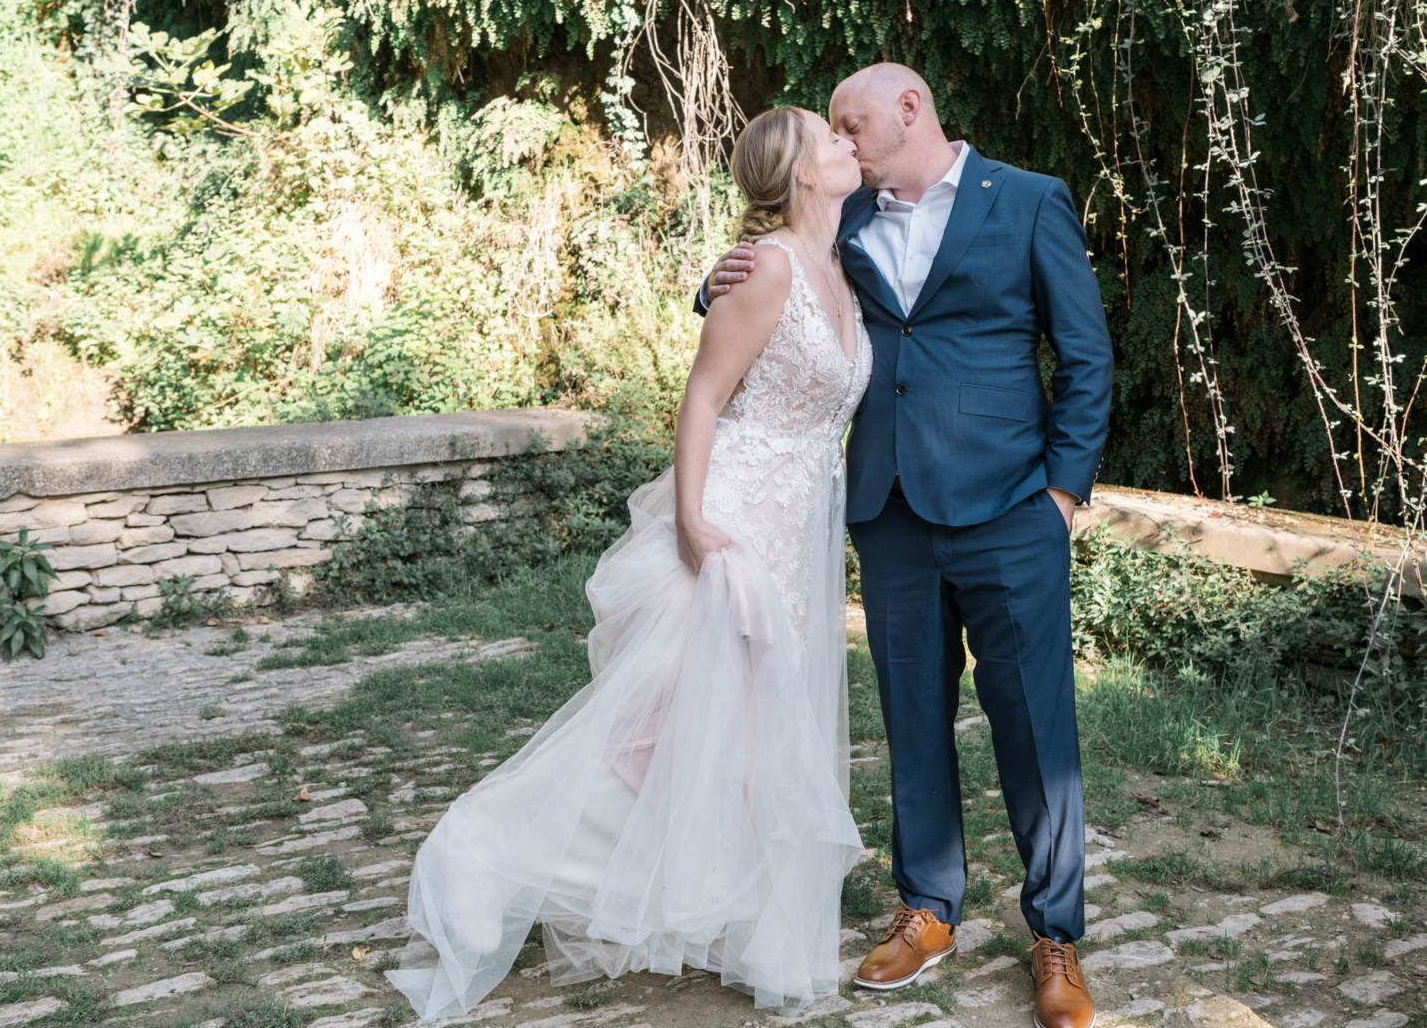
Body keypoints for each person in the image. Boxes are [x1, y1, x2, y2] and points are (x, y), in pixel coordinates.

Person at [387, 105, 874, 1020]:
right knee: (654, 737)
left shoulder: (843, 263)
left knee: (747, 740)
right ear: (803, 171)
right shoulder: (767, 267)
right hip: (731, 524)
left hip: (800, 531)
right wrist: (691, 520)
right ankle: (482, 856)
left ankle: (743, 925)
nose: (849, 142)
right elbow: (703, 394)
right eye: (831, 136)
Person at [697, 63, 1113, 1028]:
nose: (842, 139)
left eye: (854, 122)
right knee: (910, 717)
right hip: (889, 512)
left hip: (1013, 511)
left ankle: (1055, 933)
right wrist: (709, 277)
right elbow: (775, 281)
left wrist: (1059, 494)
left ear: (912, 109)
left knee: (1036, 726)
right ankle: (928, 906)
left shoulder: (1031, 202)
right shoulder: (844, 216)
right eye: (833, 128)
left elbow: (1085, 356)